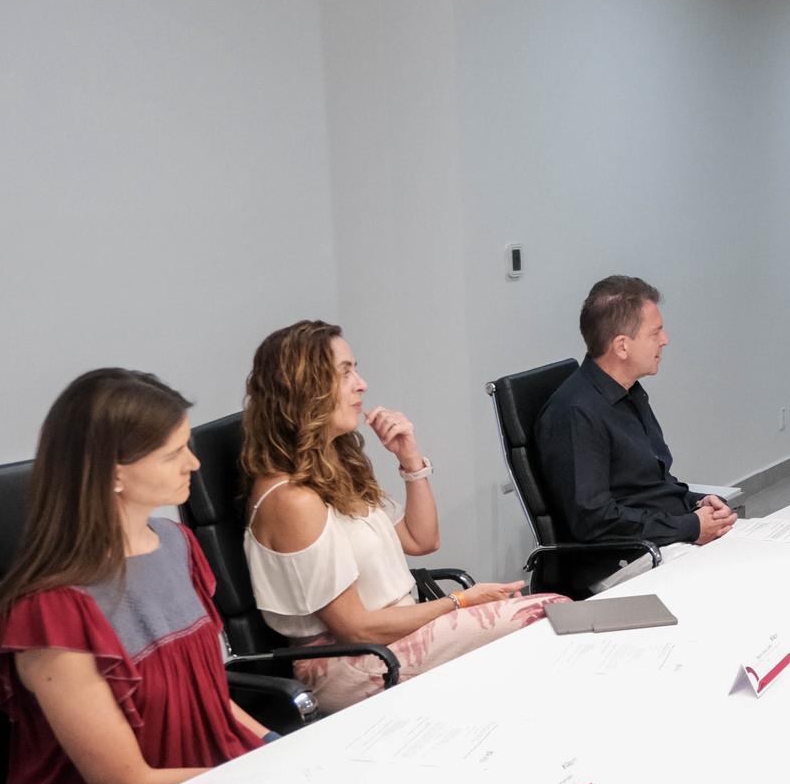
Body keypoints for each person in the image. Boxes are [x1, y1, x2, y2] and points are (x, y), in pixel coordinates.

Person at [0, 370, 267, 784]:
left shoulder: (178, 545)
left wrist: (275, 746)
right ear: (113, 473)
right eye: (173, 454)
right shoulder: (51, 610)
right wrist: (259, 777)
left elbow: (210, 701)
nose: (194, 463)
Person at [241, 320, 565, 713]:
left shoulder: (334, 464)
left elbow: (420, 539)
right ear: (303, 388)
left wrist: (410, 460)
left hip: (394, 633)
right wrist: (460, 601)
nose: (361, 384)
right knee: (547, 614)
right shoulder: (291, 500)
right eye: (345, 373)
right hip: (350, 662)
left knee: (552, 616)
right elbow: (354, 628)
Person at [534, 276, 736, 587]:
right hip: (621, 560)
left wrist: (698, 503)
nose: (665, 340)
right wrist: (689, 527)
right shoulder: (577, 412)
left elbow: (650, 485)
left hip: (659, 539)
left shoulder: (629, 393)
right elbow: (593, 520)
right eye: (655, 333)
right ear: (622, 346)